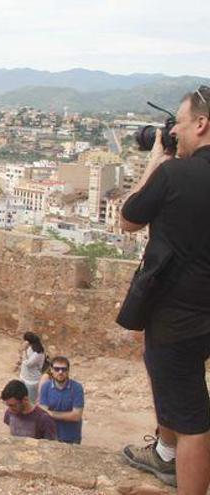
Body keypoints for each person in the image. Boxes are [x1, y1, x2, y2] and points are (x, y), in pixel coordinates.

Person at [119, 86, 210, 492]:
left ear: (202, 125)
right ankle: (164, 453)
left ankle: (179, 472)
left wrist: (157, 160)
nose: (176, 132)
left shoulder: (175, 173)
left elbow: (129, 218)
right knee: (172, 382)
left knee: (193, 419)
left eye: (181, 124)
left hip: (180, 313)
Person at [39, 356, 84, 445]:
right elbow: (43, 412)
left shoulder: (77, 388)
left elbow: (76, 416)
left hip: (71, 438)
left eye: (64, 369)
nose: (60, 372)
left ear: (68, 371)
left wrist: (52, 414)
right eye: (57, 369)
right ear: (51, 370)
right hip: (50, 436)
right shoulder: (46, 387)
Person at [15, 331, 45, 404]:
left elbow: (28, 364)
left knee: (31, 401)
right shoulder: (30, 348)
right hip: (24, 376)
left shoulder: (38, 353)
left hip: (32, 380)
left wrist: (24, 350)